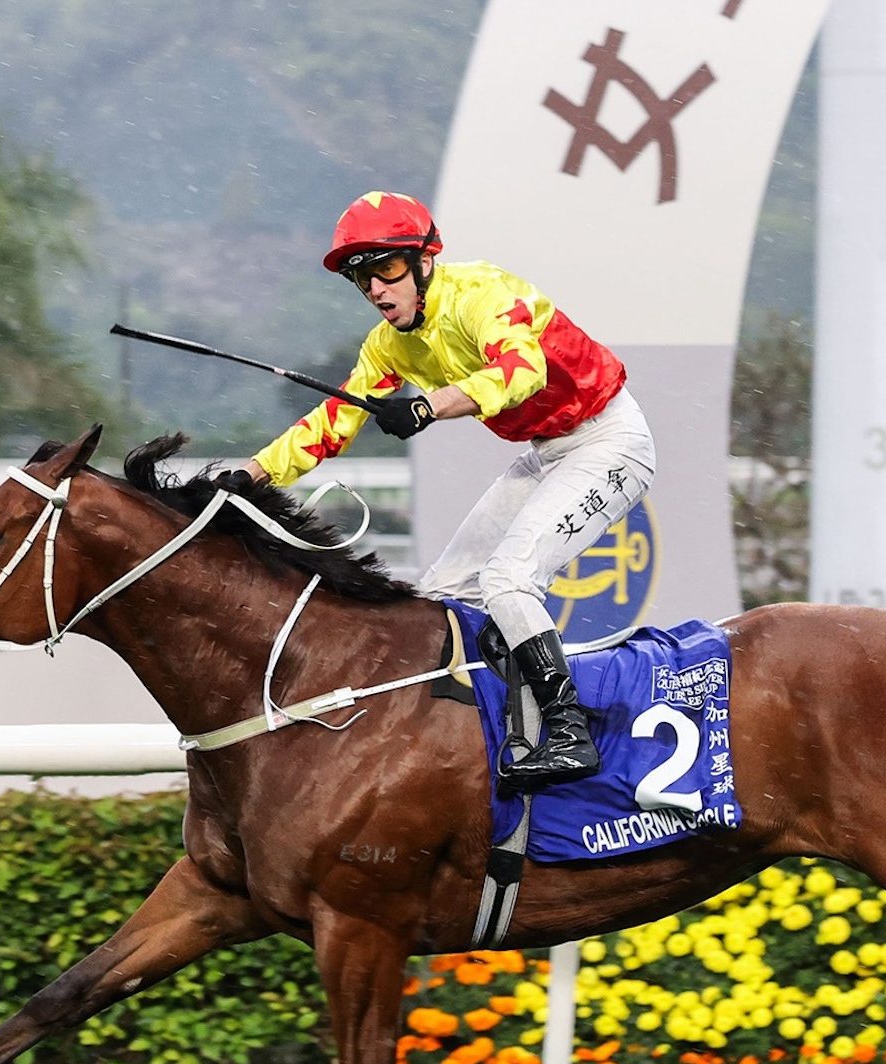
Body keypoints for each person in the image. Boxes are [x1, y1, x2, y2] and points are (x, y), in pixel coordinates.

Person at [238, 191, 656, 795]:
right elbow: (333, 421)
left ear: (424, 260)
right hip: (546, 451)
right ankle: (496, 727)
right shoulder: (387, 345)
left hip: (610, 443)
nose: (377, 290)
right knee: (440, 594)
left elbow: (520, 371)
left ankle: (569, 731)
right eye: (362, 278)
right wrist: (251, 474)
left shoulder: (486, 294)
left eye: (386, 269)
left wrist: (428, 404)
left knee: (507, 580)